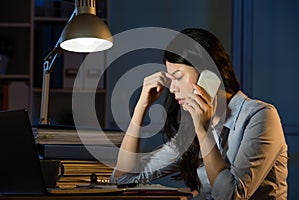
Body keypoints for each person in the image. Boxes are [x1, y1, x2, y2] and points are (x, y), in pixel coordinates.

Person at [110, 28, 288, 199]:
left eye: (178, 77)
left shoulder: (260, 116)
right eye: (170, 79)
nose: (171, 89)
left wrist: (204, 132)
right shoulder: (191, 128)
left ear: (208, 75)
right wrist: (141, 107)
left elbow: (230, 196)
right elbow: (123, 178)